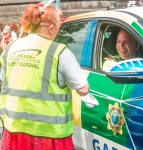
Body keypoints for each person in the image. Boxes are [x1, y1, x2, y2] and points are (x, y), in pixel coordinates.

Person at [0, 4, 89, 150]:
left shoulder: (11, 47)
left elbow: (5, 78)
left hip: (15, 131)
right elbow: (83, 89)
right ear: (51, 28)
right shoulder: (59, 52)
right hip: (49, 136)